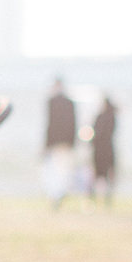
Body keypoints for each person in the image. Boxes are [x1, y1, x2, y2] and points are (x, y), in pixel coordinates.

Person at [43, 77, 77, 210]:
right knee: (63, 171)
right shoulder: (70, 103)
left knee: (54, 171)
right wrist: (72, 142)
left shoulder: (51, 102)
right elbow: (74, 124)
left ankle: (56, 195)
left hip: (55, 143)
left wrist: (46, 144)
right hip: (66, 143)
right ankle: (59, 193)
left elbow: (50, 124)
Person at [88, 95, 118, 206]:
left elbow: (96, 134)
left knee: (96, 175)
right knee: (107, 176)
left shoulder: (100, 117)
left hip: (99, 150)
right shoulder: (113, 117)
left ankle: (93, 199)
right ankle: (106, 199)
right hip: (109, 149)